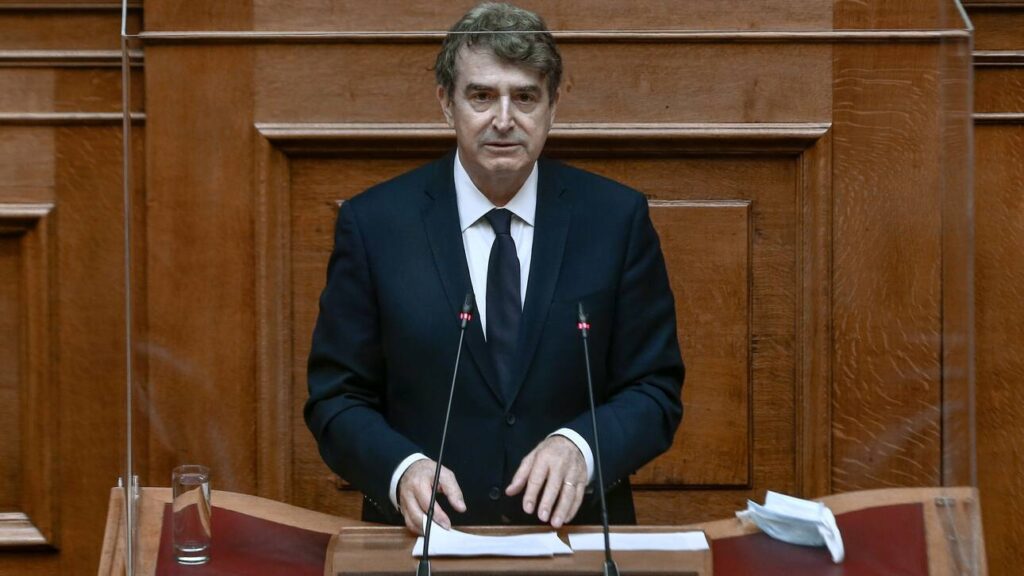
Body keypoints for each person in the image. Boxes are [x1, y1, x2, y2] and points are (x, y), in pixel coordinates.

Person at [305, 2, 684, 535]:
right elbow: (336, 398)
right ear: (446, 103)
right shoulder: (375, 225)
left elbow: (655, 389)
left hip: (572, 538)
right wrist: (400, 469)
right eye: (481, 96)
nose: (503, 120)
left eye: (525, 97)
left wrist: (582, 448)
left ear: (553, 105)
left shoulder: (615, 220)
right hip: (425, 543)